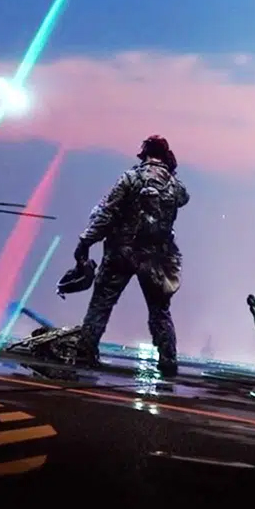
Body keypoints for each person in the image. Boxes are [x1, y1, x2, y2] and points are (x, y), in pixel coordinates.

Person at [72, 136, 190, 378]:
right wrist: (171, 170)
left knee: (101, 304)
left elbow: (106, 214)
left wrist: (85, 242)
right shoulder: (175, 186)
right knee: (160, 310)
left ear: (144, 154)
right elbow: (184, 198)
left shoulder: (130, 179)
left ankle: (85, 354)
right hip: (156, 257)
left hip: (121, 253)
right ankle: (168, 360)